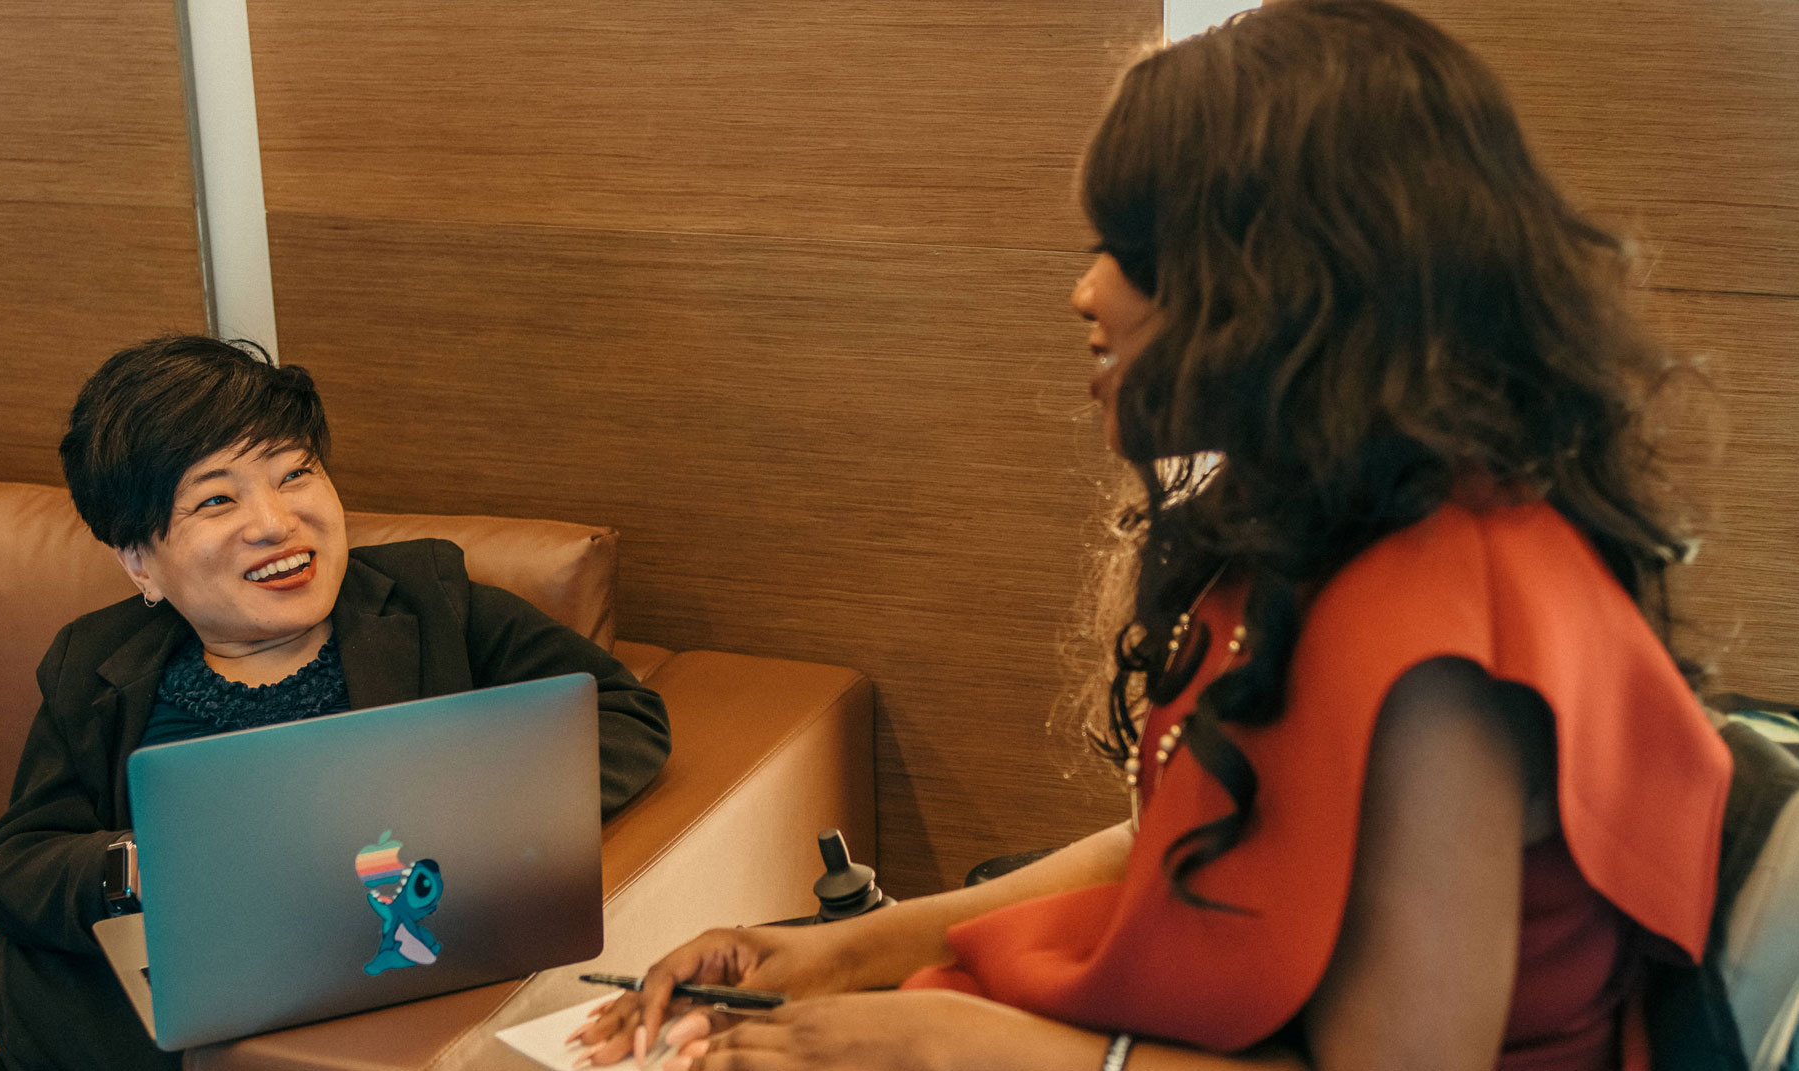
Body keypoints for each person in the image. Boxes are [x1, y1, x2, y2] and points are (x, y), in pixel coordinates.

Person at [576, 2, 1731, 1068]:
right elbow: (1191, 843)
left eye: (1130, 251)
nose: (1088, 293)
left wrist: (953, 1044)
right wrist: (839, 953)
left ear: (1280, 287)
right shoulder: (1321, 527)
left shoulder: (1447, 637)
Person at [0, 335, 672, 1071]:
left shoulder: (433, 602)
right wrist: (149, 864)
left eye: (294, 472)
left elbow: (623, 714)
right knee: (39, 965)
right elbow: (16, 863)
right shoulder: (97, 664)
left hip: (391, 956)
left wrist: (450, 814)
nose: (274, 521)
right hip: (200, 983)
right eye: (216, 498)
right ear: (140, 560)